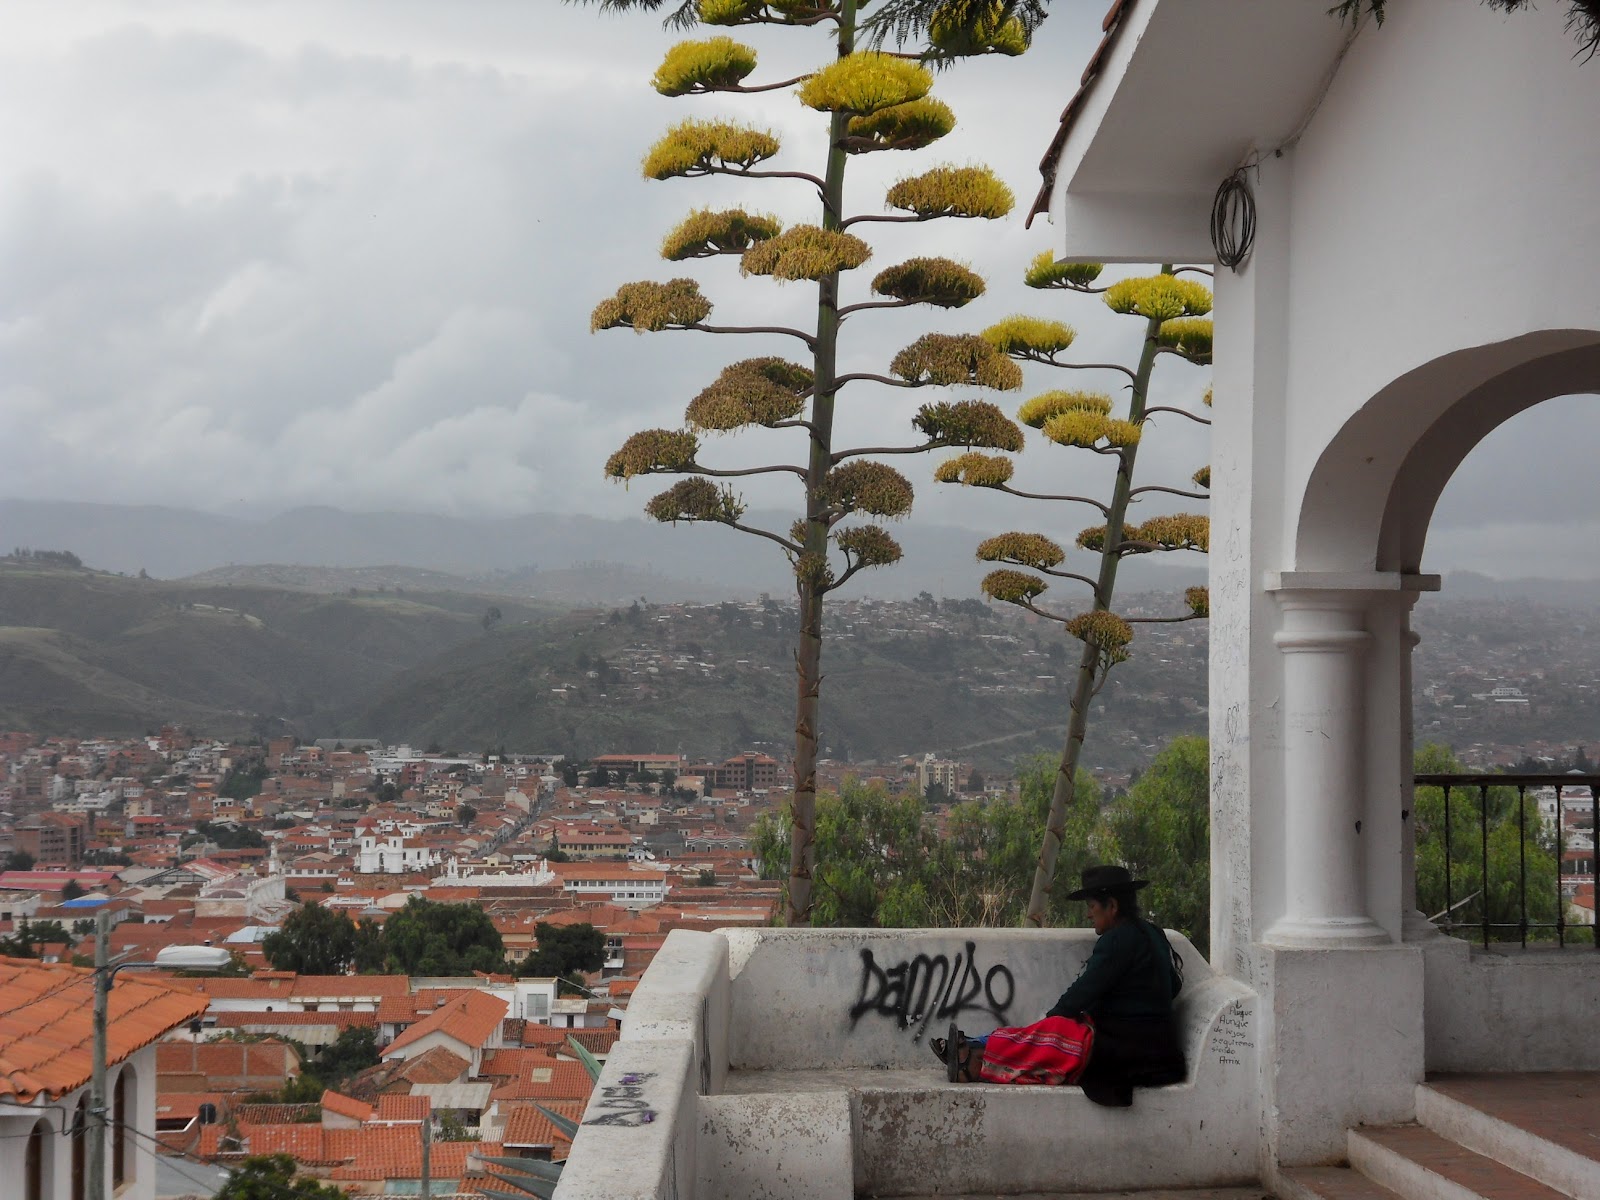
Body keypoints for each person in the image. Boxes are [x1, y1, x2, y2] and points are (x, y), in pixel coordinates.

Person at [933, 864, 1186, 1107]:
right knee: (1060, 1032)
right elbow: (1173, 986)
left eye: (1092, 906)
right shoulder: (1154, 933)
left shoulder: (1117, 940)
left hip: (1129, 1053)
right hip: (1163, 1053)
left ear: (1112, 906)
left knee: (1056, 1034)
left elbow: (1081, 994)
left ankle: (975, 1058)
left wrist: (1049, 1022)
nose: (1089, 914)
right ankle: (975, 1049)